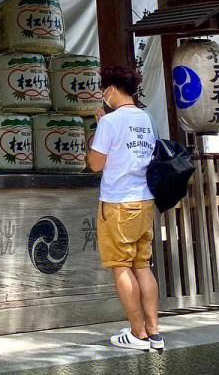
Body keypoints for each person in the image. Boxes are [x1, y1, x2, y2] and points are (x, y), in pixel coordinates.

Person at [87, 66, 162, 352]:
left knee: (121, 267)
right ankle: (154, 332)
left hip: (117, 203)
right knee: (142, 265)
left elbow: (96, 164)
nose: (103, 94)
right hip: (144, 201)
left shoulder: (109, 122)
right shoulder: (146, 118)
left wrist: (98, 128)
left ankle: (136, 333)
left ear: (112, 89)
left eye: (104, 89)